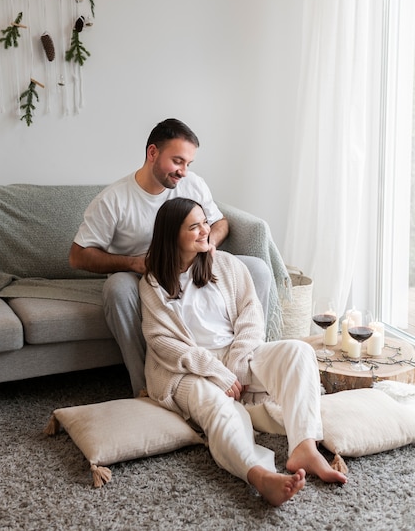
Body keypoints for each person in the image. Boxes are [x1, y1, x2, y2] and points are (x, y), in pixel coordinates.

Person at [139, 197, 347, 507]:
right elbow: (163, 344)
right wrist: (218, 374)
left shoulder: (226, 264)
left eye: (204, 223)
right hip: (188, 371)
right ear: (172, 236)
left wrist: (235, 364)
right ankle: (260, 475)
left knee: (298, 353)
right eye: (193, 226)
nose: (204, 231)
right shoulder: (152, 284)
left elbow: (252, 316)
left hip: (238, 356)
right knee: (220, 410)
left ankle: (304, 446)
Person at [69, 118, 271, 396]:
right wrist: (131, 262)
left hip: (190, 264)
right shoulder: (113, 200)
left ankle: (250, 361)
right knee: (117, 289)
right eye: (177, 161)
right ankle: (145, 387)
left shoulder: (192, 184)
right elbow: (78, 257)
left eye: (188, 163)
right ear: (152, 153)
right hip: (142, 273)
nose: (183, 172)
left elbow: (220, 222)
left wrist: (208, 241)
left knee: (257, 268)